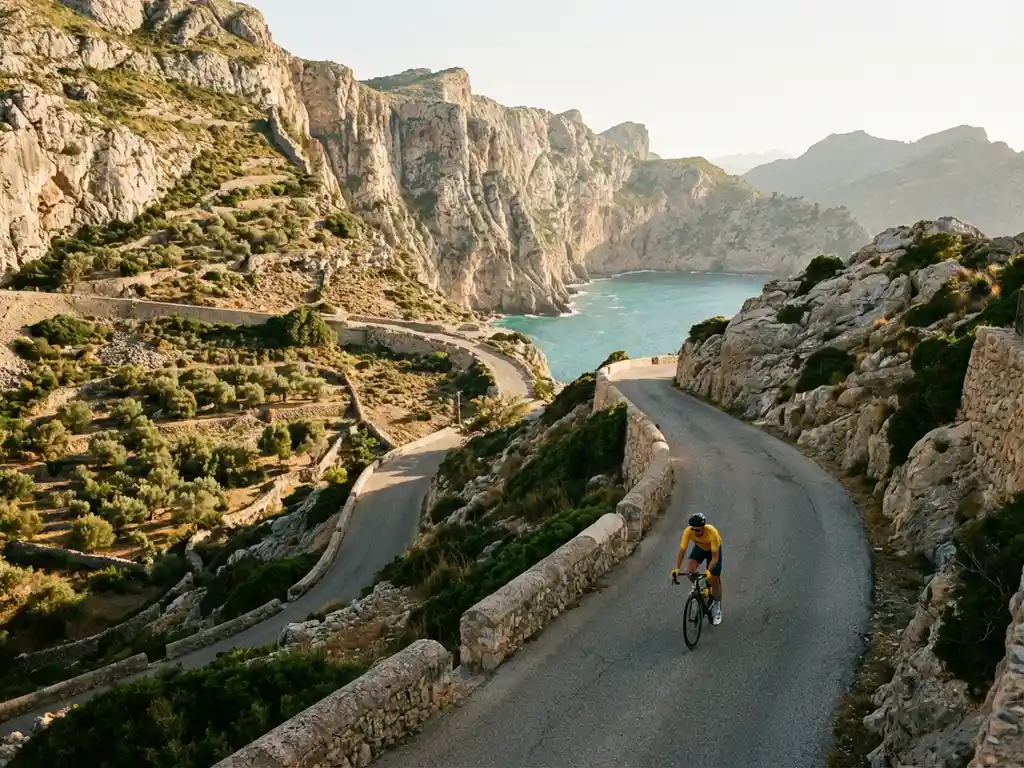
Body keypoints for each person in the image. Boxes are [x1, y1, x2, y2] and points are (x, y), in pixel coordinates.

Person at [671, 512, 723, 625]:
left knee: (713, 579)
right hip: (700, 548)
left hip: (713, 551)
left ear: (703, 527)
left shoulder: (712, 533)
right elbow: (682, 552)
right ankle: (702, 588)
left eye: (698, 530)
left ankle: (717, 605)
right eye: (693, 529)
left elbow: (714, 558)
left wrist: (708, 571)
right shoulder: (688, 532)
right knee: (690, 570)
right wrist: (676, 569)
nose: (695, 532)